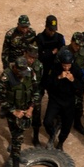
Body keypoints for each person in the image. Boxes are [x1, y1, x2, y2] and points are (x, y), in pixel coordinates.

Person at [0, 59, 36, 167]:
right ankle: (15, 165)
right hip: (13, 112)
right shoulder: (5, 78)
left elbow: (35, 92)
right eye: (19, 73)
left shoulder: (30, 72)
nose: (22, 76)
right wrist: (14, 111)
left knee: (20, 136)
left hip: (26, 111)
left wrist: (31, 108)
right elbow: (1, 100)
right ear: (14, 69)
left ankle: (16, 156)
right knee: (17, 138)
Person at [43, 48, 84, 150]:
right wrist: (58, 78)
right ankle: (52, 134)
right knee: (47, 121)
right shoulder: (55, 69)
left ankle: (61, 142)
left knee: (67, 124)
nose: (66, 68)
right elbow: (48, 84)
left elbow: (81, 87)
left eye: (68, 65)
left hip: (69, 100)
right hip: (55, 99)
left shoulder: (77, 70)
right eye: (64, 65)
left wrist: (73, 80)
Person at [33, 16, 64, 145]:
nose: (52, 32)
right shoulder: (39, 38)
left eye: (54, 30)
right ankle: (35, 133)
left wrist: (48, 54)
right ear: (45, 27)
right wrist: (51, 52)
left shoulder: (59, 37)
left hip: (53, 76)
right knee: (37, 105)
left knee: (55, 101)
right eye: (50, 30)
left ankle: (54, 128)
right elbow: (38, 56)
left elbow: (62, 53)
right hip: (40, 76)